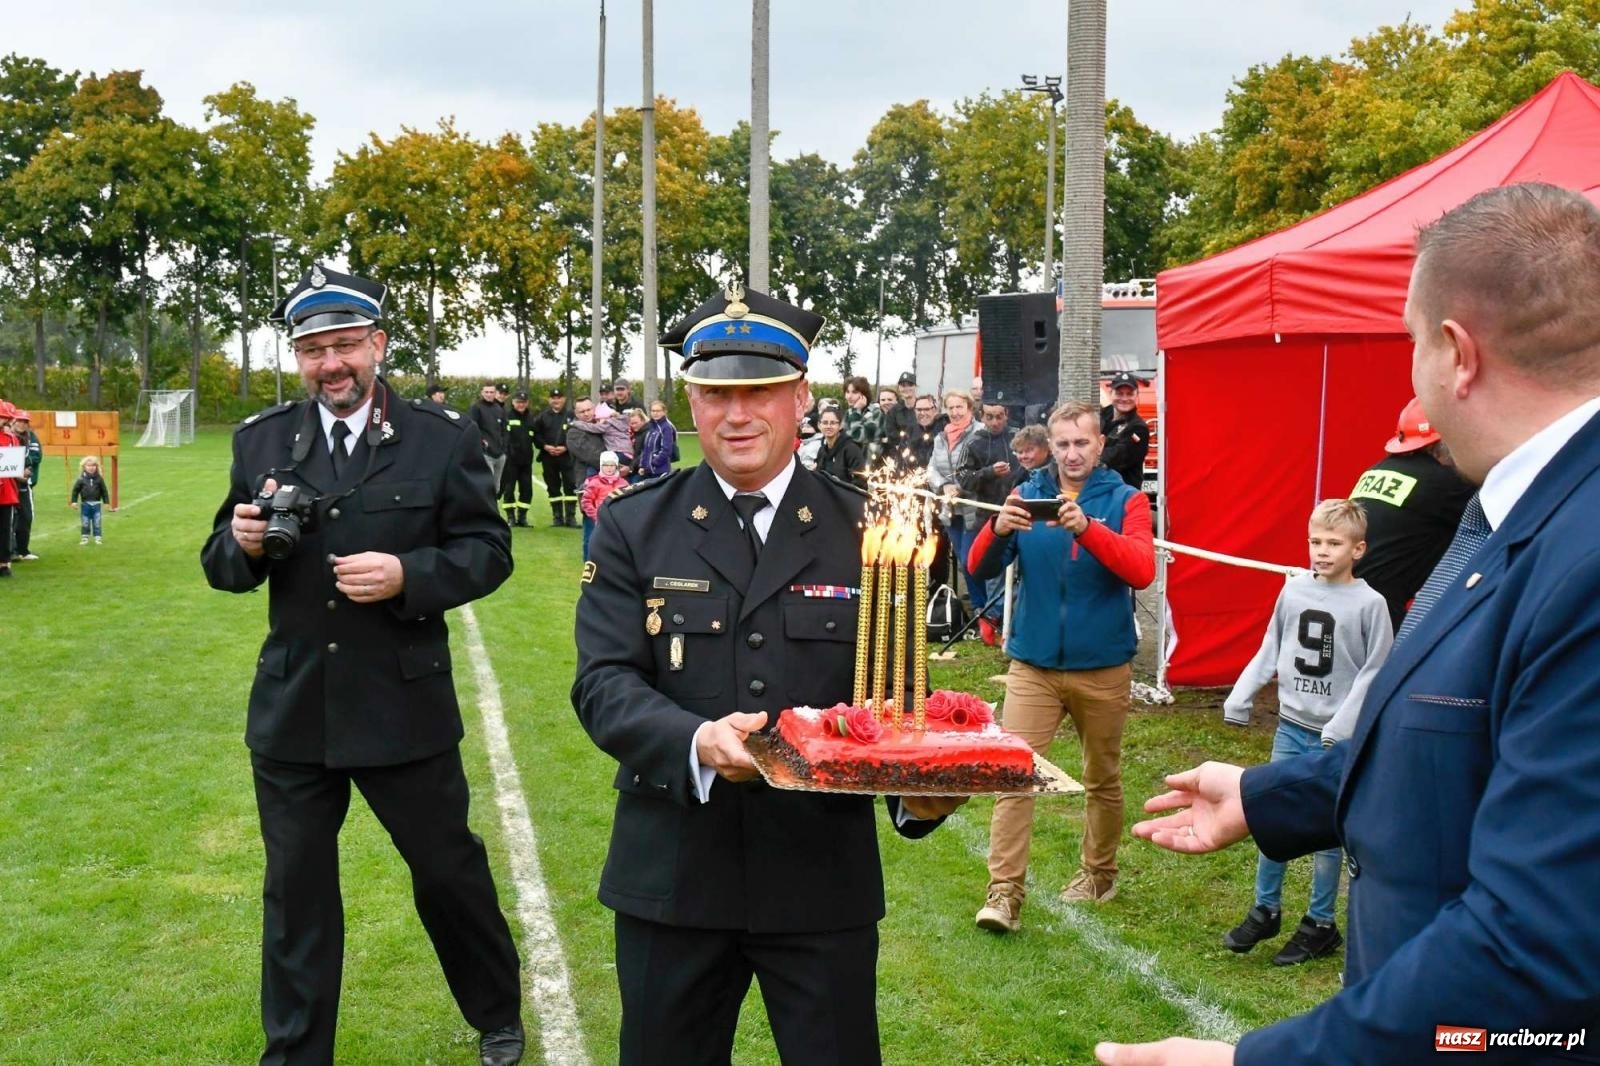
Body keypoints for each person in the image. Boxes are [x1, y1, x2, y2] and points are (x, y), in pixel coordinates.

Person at [1098, 183, 1600, 1066]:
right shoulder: (1517, 512)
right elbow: (1455, 745)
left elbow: (1535, 949)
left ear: (1456, 353)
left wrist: (1259, 1063)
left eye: (1411, 343)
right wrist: (1270, 795)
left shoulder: (1580, 548)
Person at [571, 285, 961, 1066]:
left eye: (759, 391)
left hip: (819, 881)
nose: (737, 414)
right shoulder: (633, 523)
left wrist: (917, 802)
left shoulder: (870, 528)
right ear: (691, 399)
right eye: (717, 393)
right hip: (673, 875)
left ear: (800, 396)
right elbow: (604, 681)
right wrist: (696, 741)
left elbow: (891, 697)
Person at [198, 265, 525, 1066]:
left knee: (447, 870)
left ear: (377, 345)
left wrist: (411, 577)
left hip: (401, 705)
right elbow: (220, 561)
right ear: (299, 357)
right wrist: (238, 546)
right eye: (313, 349)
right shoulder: (262, 440)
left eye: (344, 344)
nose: (330, 364)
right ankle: (297, 1054)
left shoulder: (441, 438)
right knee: (296, 896)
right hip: (295, 708)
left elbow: (487, 550)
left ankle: (496, 1011)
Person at [967, 399, 1155, 932]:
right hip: (1034, 663)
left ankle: (1099, 872)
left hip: (1104, 665)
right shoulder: (1027, 493)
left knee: (1102, 777)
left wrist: (1088, 529)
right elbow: (977, 568)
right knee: (1014, 775)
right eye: (1063, 444)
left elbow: (1141, 570)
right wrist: (998, 529)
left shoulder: (1126, 500)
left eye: (1082, 443)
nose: (1072, 454)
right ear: (1051, 445)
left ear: (1100, 445)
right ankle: (1003, 894)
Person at [1219, 499, 1392, 966]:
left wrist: (1341, 725)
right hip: (1291, 727)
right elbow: (1271, 646)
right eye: (1315, 541)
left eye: (1334, 543)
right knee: (1267, 814)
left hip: (1335, 740)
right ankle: (1265, 906)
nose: (1322, 551)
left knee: (1326, 833)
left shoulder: (1371, 605)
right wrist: (1242, 693)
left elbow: (1376, 671)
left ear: (1358, 549)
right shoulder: (1293, 590)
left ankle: (1320, 922)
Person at [1349, 397, 1474, 632]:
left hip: (1338, 600)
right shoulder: (1446, 483)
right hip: (1380, 614)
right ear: (1445, 441)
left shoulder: (1378, 469)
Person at [955, 401, 1018, 644]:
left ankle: (1010, 621)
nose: (994, 422)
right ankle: (994, 620)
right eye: (989, 417)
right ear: (982, 416)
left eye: (999, 416)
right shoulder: (973, 442)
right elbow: (963, 478)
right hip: (987, 516)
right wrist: (989, 472)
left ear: (1007, 415)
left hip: (1019, 511)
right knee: (994, 572)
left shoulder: (1016, 436)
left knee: (1020, 569)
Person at [925, 391, 981, 617]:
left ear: (969, 408)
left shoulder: (980, 434)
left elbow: (979, 469)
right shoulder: (941, 437)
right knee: (962, 560)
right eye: (951, 408)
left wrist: (959, 486)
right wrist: (942, 486)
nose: (955, 412)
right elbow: (931, 469)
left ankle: (986, 608)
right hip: (950, 509)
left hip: (973, 507)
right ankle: (979, 608)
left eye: (960, 407)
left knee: (972, 560)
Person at [533, 387, 577, 527]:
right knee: (553, 486)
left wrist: (565, 447)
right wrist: (545, 446)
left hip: (567, 456)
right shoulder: (542, 417)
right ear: (549, 400)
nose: (556, 400)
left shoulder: (572, 416)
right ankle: (557, 517)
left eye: (559, 398)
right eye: (553, 398)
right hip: (548, 457)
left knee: (570, 485)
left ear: (563, 399)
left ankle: (570, 518)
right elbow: (535, 434)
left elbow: (577, 434)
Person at [1099, 371, 1150, 490]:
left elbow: (1112, 458)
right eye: (1119, 393)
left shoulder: (1138, 428)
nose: (1124, 398)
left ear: (1137, 395)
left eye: (1129, 394)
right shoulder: (1101, 416)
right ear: (1110, 393)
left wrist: (1089, 453)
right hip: (1100, 489)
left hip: (1123, 493)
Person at [579, 450, 630, 559]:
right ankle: (589, 563)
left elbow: (628, 501)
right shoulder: (594, 482)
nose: (609, 468)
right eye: (606, 465)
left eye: (612, 465)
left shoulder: (624, 484)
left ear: (616, 466)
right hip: (597, 519)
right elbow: (586, 501)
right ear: (601, 466)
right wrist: (595, 515)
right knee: (591, 540)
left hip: (616, 520)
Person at [500, 391, 538, 526]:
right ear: (513, 403)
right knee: (509, 489)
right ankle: (510, 517)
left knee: (526, 489)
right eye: (518, 402)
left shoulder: (531, 418)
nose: (521, 404)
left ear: (527, 403)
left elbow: (536, 437)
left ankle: (522, 517)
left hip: (526, 461)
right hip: (510, 461)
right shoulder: (506, 416)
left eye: (523, 402)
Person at [467, 381, 508, 499]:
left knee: (496, 488)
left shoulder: (499, 409)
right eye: (486, 392)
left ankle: (493, 513)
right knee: (486, 486)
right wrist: (482, 443)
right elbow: (472, 428)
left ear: (495, 393)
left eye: (491, 392)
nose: (489, 394)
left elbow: (505, 430)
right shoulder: (476, 408)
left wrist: (504, 448)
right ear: (482, 393)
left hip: (500, 454)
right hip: (485, 454)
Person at [10, 408, 40, 561]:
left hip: (24, 484)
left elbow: (35, 456)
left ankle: (23, 549)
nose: (22, 424)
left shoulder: (31, 438)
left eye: (25, 421)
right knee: (10, 518)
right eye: (19, 421)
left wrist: (26, 469)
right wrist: (17, 471)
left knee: (26, 516)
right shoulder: (8, 437)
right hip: (9, 484)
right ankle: (11, 551)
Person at [815, 404, 867, 483]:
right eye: (825, 423)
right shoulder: (822, 451)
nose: (828, 426)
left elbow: (860, 481)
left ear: (841, 425)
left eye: (833, 423)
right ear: (819, 425)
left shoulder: (851, 450)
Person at [70, 454, 110, 545]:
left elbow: (104, 491)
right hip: (85, 504)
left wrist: (106, 502)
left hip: (96, 504)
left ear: (96, 467)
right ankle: (85, 537)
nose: (91, 468)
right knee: (85, 522)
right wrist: (74, 501)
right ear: (84, 467)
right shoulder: (81, 479)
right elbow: (75, 491)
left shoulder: (99, 479)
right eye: (89, 466)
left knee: (97, 521)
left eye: (93, 466)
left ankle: (97, 537)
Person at [637, 399, 678, 480]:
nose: (655, 413)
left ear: (664, 412)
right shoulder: (651, 426)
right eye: (653, 411)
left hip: (661, 470)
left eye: (658, 411)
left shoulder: (666, 427)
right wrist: (643, 465)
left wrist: (653, 463)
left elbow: (666, 450)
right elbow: (646, 449)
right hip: (648, 471)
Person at [0, 401, 18, 576]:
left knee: (5, 527)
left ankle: (4, 563)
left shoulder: (10, 438)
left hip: (5, 490)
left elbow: (13, 463)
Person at [842, 375, 881, 448]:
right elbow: (843, 437)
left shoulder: (875, 412)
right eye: (847, 392)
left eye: (854, 392)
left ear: (864, 394)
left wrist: (856, 411)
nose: (849, 396)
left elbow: (858, 437)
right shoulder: (849, 412)